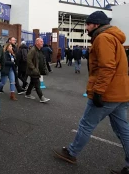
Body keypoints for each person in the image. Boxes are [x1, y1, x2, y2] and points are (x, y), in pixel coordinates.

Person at [53, 11, 129, 174]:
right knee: (123, 130)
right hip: (120, 94)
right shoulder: (115, 37)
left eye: (87, 24)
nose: (86, 28)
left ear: (96, 24)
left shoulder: (103, 38)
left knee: (86, 124)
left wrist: (99, 92)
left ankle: (72, 153)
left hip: (108, 93)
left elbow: (107, 67)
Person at [25, 38, 50, 103]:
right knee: (37, 84)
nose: (42, 42)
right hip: (33, 71)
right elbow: (28, 59)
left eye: (42, 41)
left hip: (37, 70)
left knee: (32, 83)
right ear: (37, 43)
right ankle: (42, 97)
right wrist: (33, 68)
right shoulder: (33, 50)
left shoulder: (39, 50)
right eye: (41, 41)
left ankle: (27, 94)